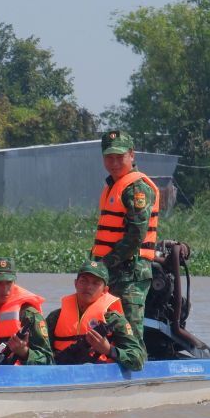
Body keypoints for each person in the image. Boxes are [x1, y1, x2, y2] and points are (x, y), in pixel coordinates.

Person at [92, 129, 159, 332]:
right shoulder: (112, 186)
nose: (114, 163)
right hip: (110, 273)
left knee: (130, 333)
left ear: (131, 154)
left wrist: (103, 264)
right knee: (107, 330)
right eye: (109, 157)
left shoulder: (137, 188)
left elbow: (135, 236)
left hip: (130, 274)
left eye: (119, 157)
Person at [46, 260, 145, 370]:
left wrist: (108, 350)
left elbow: (138, 360)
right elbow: (41, 351)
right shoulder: (55, 317)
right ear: (75, 283)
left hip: (100, 373)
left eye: (96, 283)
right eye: (84, 281)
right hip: (61, 371)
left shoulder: (114, 320)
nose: (88, 287)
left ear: (105, 290)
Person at [0, 256, 52, 365]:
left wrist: (24, 352)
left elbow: (49, 361)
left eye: (9, 282)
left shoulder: (29, 315)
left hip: (18, 374)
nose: (5, 289)